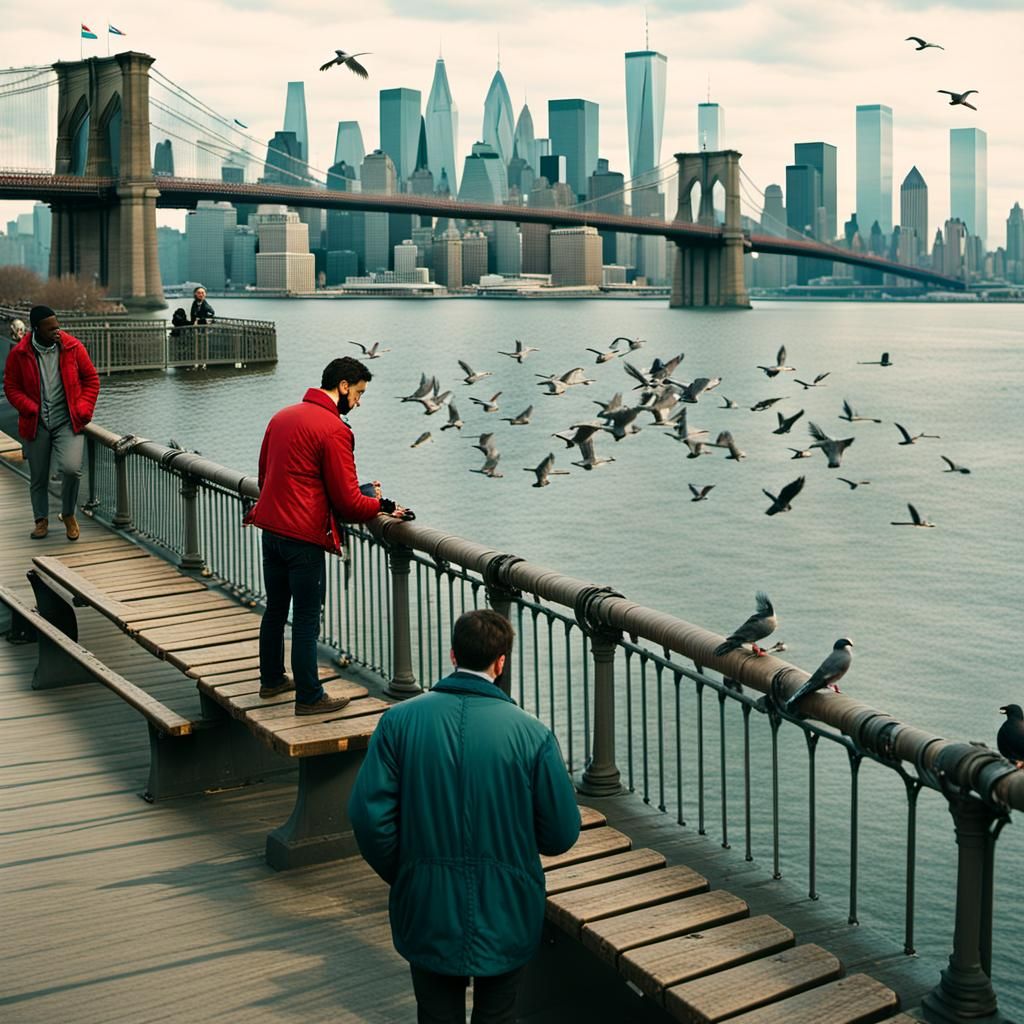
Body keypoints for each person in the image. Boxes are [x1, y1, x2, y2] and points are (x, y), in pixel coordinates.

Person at [349, 609, 581, 1024]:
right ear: (501, 662)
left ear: (453, 655)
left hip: (425, 901)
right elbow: (560, 834)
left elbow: (369, 818)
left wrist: (408, 871)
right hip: (507, 904)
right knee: (499, 1013)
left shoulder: (398, 722)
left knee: (436, 1014)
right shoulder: (533, 734)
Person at [245, 356, 407, 714]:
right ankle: (310, 697)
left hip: (271, 529)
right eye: (360, 393)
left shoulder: (282, 417)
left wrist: (360, 491)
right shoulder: (334, 429)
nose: (360, 402)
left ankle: (271, 680)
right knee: (306, 616)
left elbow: (266, 478)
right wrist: (379, 505)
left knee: (275, 609)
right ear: (344, 386)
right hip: (303, 537)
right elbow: (348, 505)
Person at [3, 305, 99, 540]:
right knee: (38, 476)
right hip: (36, 423)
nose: (57, 331)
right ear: (36, 329)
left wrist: (83, 409)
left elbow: (91, 380)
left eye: (57, 326)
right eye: (50, 328)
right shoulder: (20, 353)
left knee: (72, 469)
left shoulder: (73, 347)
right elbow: (11, 387)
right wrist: (30, 408)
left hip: (67, 421)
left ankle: (68, 514)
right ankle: (41, 520)